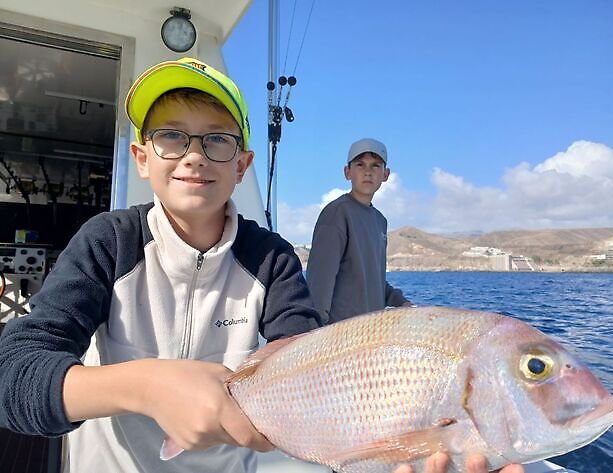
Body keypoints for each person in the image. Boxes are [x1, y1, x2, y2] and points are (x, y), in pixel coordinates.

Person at [0, 58, 522, 473]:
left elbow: (302, 357)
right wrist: (145, 386)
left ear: (242, 163)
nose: (194, 155)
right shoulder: (108, 241)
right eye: (171, 136)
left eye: (217, 140)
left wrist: (413, 433)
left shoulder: (270, 257)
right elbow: (15, 372)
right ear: (142, 157)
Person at [307, 138, 412, 323]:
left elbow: (373, 279)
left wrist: (400, 301)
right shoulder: (337, 214)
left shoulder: (380, 221)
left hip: (369, 335)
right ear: (347, 172)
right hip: (338, 337)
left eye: (375, 165)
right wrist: (315, 330)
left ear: (385, 174)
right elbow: (320, 281)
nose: (368, 172)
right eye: (360, 164)